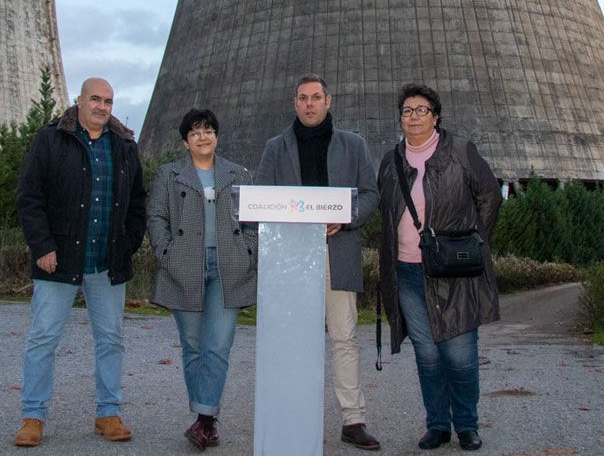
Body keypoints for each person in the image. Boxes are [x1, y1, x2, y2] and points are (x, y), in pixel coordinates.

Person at [13, 77, 147, 447]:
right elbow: (29, 197)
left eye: (108, 101)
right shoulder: (51, 139)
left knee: (111, 340)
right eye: (95, 99)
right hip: (58, 259)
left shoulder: (123, 146)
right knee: (43, 338)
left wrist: (128, 244)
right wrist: (42, 247)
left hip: (107, 262)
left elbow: (138, 202)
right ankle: (33, 416)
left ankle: (108, 413)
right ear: (80, 101)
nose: (102, 107)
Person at [255, 73, 382, 451]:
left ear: (329, 100)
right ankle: (291, 412)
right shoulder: (276, 148)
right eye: (302, 98)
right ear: (294, 103)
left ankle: (352, 418)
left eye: (315, 97)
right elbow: (260, 198)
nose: (309, 104)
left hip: (336, 252)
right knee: (291, 338)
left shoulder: (353, 145)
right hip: (290, 258)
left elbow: (371, 193)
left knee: (344, 335)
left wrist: (346, 217)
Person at [376, 84, 502, 451]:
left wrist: (472, 242)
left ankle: (466, 425)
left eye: (421, 110)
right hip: (408, 271)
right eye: (407, 111)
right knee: (427, 354)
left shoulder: (460, 151)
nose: (413, 117)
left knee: (460, 353)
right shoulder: (391, 160)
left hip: (453, 270)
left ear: (436, 116)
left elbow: (490, 196)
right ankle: (437, 425)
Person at [147, 109, 256, 451]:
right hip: (186, 266)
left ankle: (204, 419)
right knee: (193, 346)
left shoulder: (237, 174)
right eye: (195, 133)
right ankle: (204, 418)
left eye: (208, 130)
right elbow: (156, 216)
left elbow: (252, 220)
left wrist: (247, 255)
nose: (203, 137)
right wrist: (168, 254)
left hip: (228, 267)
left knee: (218, 346)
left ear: (217, 135)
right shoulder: (170, 174)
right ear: (185, 141)